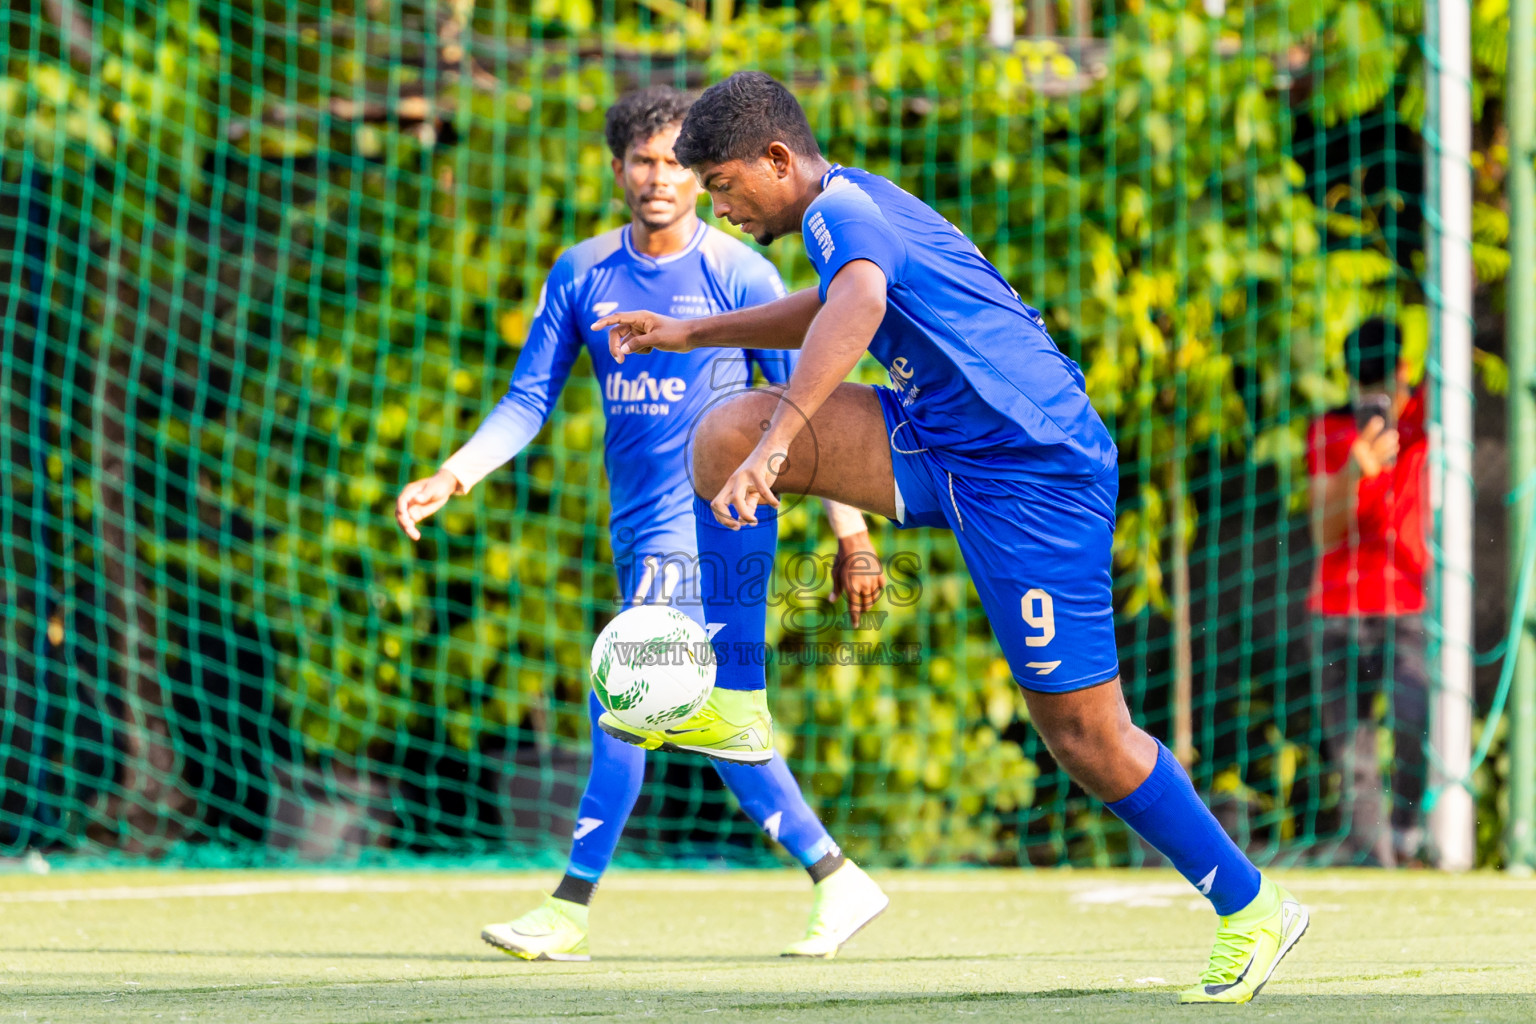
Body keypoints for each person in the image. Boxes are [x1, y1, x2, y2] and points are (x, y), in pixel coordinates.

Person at [592, 71, 1308, 1004]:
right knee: (722, 431)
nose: (719, 207)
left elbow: (854, 308)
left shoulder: (846, 214)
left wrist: (779, 449)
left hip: (1035, 472)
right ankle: (737, 697)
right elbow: (831, 303)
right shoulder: (841, 214)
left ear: (777, 160)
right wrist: (691, 334)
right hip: (940, 440)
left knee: (1084, 734)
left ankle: (1252, 906)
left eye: (725, 186)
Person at [394, 86, 889, 961]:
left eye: (675, 163)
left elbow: (807, 409)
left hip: (708, 530)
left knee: (624, 689)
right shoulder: (581, 272)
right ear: (618, 169)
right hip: (635, 536)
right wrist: (455, 472)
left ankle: (568, 908)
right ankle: (836, 875)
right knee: (714, 716)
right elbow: (527, 399)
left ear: (703, 179)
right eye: (643, 161)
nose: (659, 178)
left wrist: (853, 538)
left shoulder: (740, 273)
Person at [1308, 318, 1429, 866]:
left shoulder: (1424, 421)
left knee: (1414, 718)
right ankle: (1379, 862)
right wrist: (1352, 471)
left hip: (1408, 607)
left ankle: (1406, 832)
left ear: (1403, 373)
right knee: (1354, 757)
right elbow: (1323, 532)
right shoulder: (1331, 431)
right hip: (1338, 611)